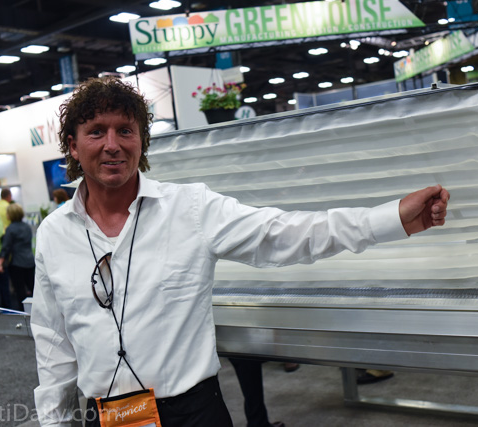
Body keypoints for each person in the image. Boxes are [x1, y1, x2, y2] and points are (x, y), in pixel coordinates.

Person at [31, 77, 449, 427]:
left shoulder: (190, 209)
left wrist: (390, 218)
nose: (113, 144)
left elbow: (284, 233)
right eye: (96, 131)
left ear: (141, 141)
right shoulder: (54, 234)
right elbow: (53, 344)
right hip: (109, 417)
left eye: (125, 130)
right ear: (72, 145)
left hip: (193, 413)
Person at [0, 203, 35, 309]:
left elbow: (6, 247)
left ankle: (24, 312)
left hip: (17, 263)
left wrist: (0, 262)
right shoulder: (27, 227)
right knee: (33, 288)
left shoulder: (10, 229)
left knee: (20, 291)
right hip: (29, 260)